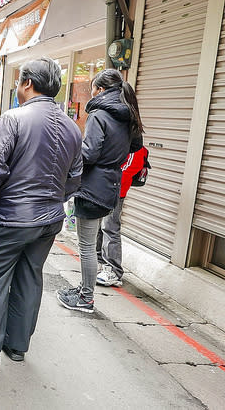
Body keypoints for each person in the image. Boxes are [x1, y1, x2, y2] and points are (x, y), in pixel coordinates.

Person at [0, 58, 83, 369]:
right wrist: (52, 200)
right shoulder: (71, 127)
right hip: (49, 219)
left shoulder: (13, 119)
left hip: (10, 217)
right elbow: (75, 178)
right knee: (29, 277)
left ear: (26, 83)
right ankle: (17, 344)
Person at [57, 69, 143, 313]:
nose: (91, 92)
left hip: (92, 185)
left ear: (101, 90)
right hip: (112, 184)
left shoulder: (99, 113)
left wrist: (69, 158)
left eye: (93, 88)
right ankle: (83, 289)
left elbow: (90, 152)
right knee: (92, 242)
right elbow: (136, 145)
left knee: (86, 246)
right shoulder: (127, 113)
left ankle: (86, 297)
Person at [96, 145, 148, 287]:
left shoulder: (134, 142)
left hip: (115, 191)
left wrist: (108, 181)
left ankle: (113, 271)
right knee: (99, 227)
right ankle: (99, 262)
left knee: (109, 227)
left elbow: (132, 166)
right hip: (103, 188)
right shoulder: (118, 136)